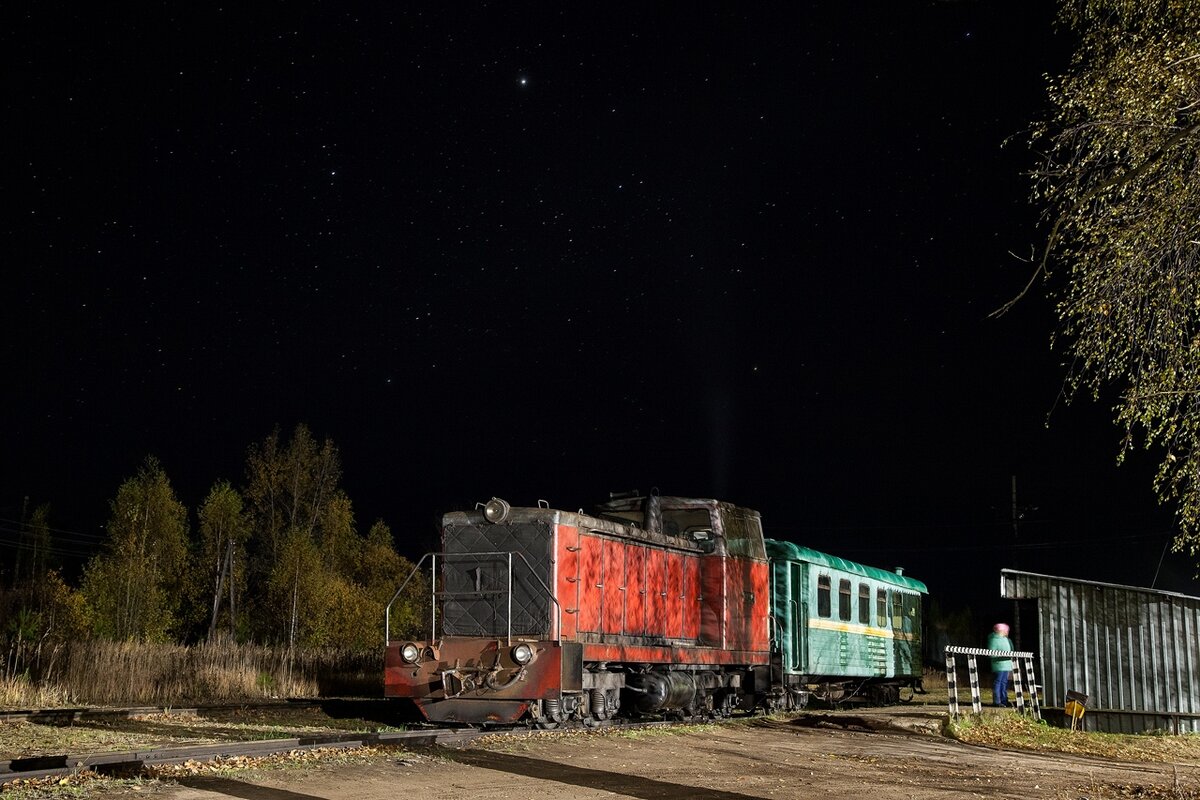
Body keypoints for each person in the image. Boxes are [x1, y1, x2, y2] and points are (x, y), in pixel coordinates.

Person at [988, 623, 1014, 707]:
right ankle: (997, 701)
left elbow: (1011, 651)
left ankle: (1004, 700)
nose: (1007, 632)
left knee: (1004, 683)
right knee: (998, 682)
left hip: (1006, 665)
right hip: (998, 665)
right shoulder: (994, 639)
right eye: (1006, 630)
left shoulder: (1006, 639)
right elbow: (991, 652)